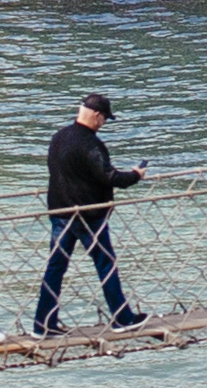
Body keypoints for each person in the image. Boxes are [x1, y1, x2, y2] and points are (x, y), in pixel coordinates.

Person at [38, 97, 144, 332]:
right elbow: (110, 177)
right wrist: (136, 175)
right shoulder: (90, 144)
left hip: (61, 212)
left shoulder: (59, 137)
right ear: (97, 115)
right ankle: (122, 318)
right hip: (88, 216)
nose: (104, 123)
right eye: (105, 118)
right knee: (105, 263)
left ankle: (43, 324)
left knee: (55, 268)